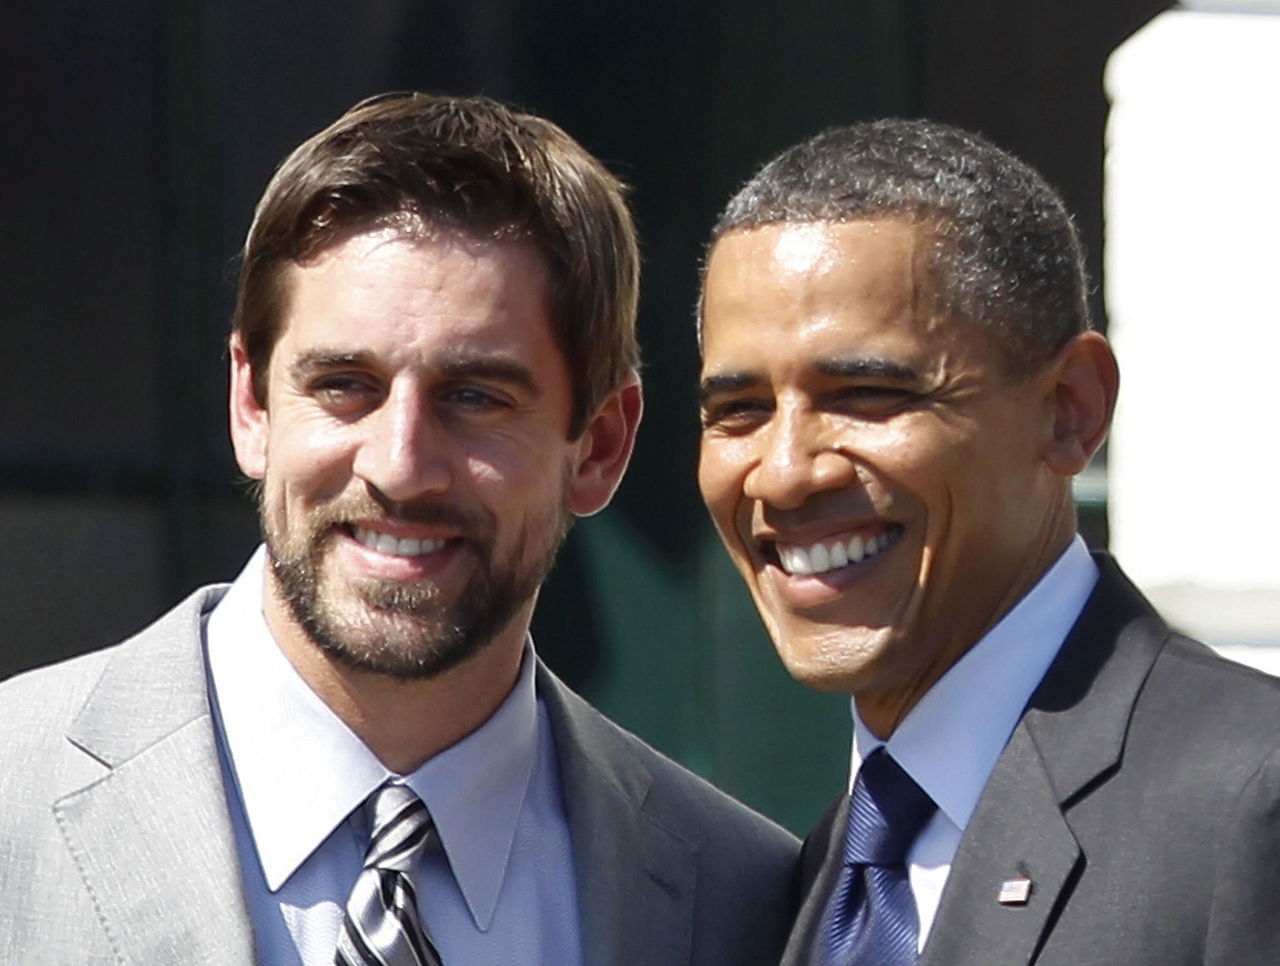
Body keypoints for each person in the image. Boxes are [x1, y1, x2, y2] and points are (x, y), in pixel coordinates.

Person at [0, 92, 798, 966]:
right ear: (251, 403)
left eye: (474, 396)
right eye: (345, 384)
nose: (400, 464)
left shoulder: (742, 903)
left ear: (601, 445)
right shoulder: (14, 796)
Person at [696, 117, 1280, 966]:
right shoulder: (810, 878)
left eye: (864, 393)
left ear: (1069, 410)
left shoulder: (1247, 802)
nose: (783, 474)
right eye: (739, 410)